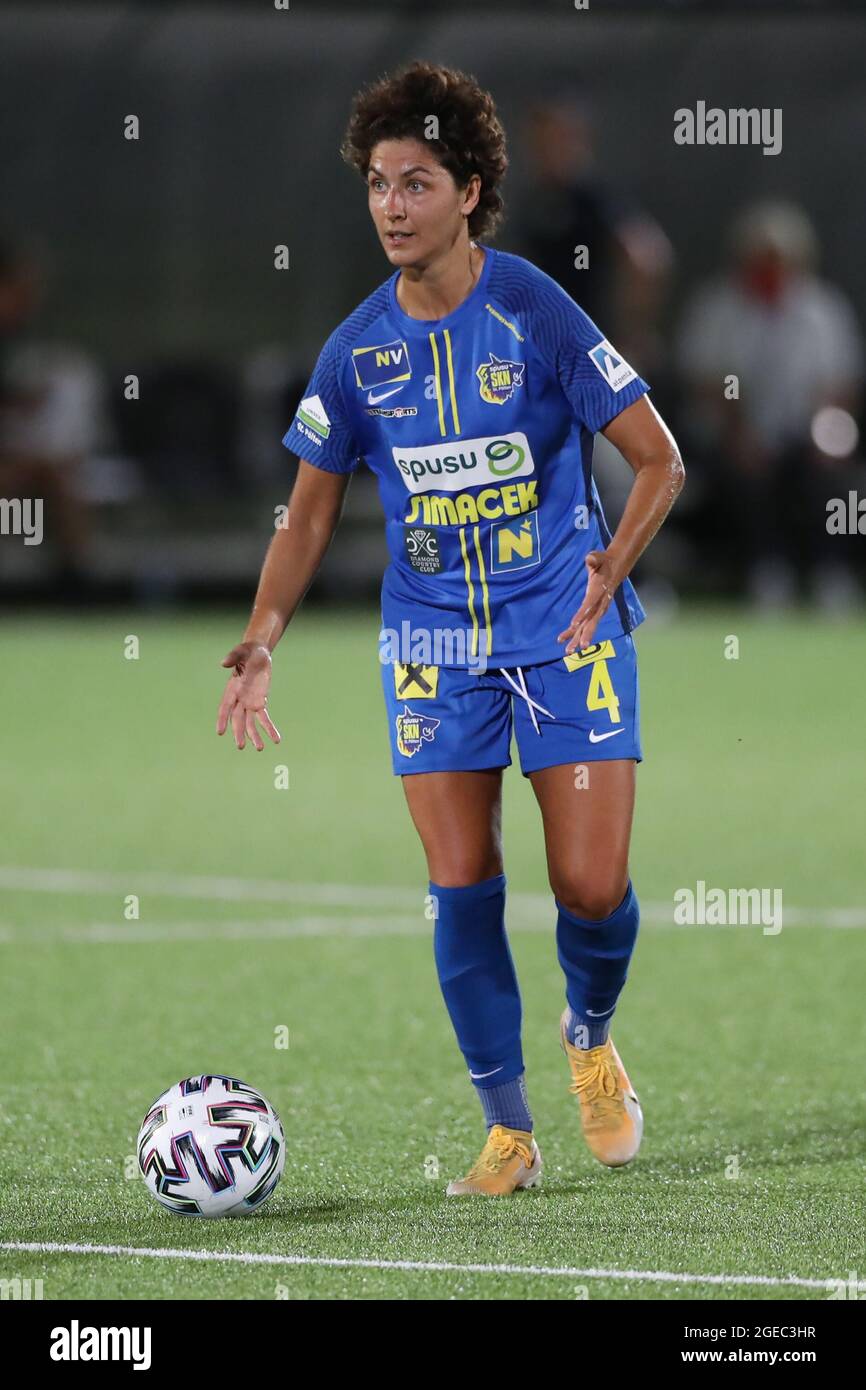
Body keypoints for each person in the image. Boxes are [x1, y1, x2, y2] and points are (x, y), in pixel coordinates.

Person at [216, 61, 685, 1197]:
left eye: (415, 182)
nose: (389, 205)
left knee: (588, 885)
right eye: (377, 183)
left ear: (469, 192)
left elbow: (658, 459)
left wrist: (608, 569)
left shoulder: (533, 309)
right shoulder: (354, 352)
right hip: (430, 649)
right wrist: (263, 633)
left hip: (564, 634)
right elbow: (308, 513)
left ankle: (588, 1034)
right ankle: (507, 1131)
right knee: (459, 877)